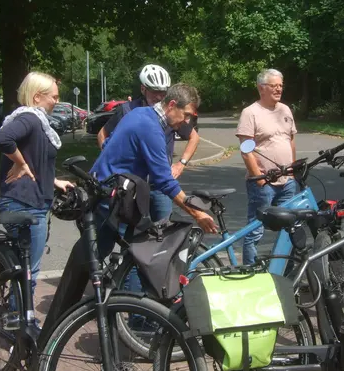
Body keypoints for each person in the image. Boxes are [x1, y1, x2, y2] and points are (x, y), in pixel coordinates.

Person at [90, 83, 217, 258]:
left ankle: (92, 274)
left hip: (102, 191)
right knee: (135, 254)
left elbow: (108, 143)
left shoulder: (138, 113)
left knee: (99, 254)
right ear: (171, 105)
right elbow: (165, 181)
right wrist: (197, 214)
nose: (187, 121)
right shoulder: (151, 129)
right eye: (186, 114)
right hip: (112, 199)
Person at [0, 72, 74, 299]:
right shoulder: (29, 118)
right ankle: (20, 316)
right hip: (26, 204)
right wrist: (20, 163)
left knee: (24, 266)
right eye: (54, 97)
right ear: (37, 97)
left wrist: (54, 180)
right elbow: (2, 139)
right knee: (30, 270)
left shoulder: (37, 121)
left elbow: (36, 160)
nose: (57, 101)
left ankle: (15, 310)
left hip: (23, 201)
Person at [98, 64, 200, 222]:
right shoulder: (130, 112)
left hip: (154, 185)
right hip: (126, 186)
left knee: (161, 228)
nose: (159, 96)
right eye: (154, 91)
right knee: (125, 231)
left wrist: (181, 163)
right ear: (143, 89)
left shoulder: (166, 115)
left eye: (163, 92)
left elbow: (194, 137)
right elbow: (103, 136)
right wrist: (111, 162)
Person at [236, 69, 298, 265]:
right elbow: (246, 150)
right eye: (274, 86)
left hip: (287, 181)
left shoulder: (285, 110)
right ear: (261, 88)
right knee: (255, 230)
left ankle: (283, 270)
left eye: (280, 85)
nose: (279, 89)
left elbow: (290, 140)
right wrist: (259, 178)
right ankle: (250, 270)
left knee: (289, 229)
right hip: (264, 183)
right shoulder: (250, 113)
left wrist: (293, 171)